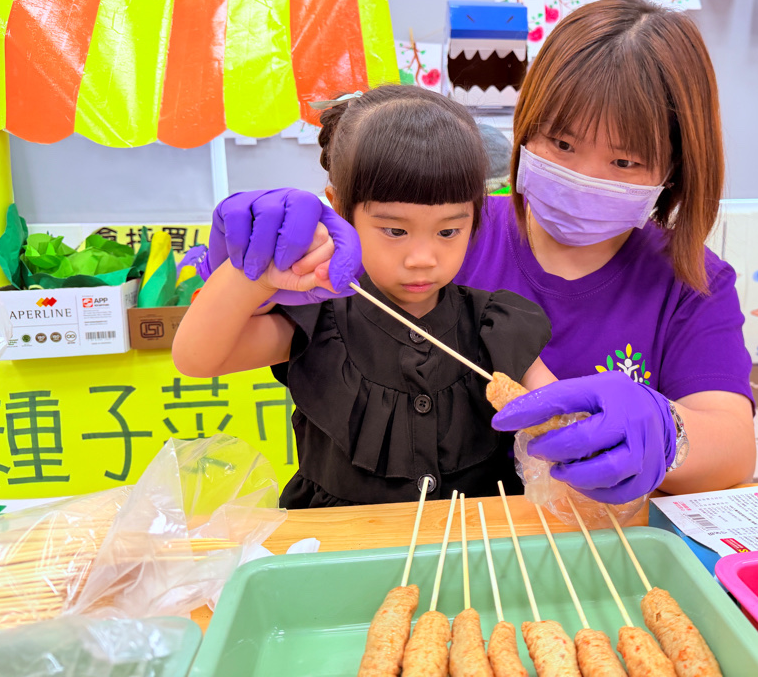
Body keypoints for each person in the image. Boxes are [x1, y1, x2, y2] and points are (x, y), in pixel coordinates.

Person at [192, 0, 754, 504]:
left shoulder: (689, 284)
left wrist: (665, 435)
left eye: (625, 161)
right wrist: (252, 270)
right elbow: (208, 351)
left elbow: (732, 449)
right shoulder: (430, 234)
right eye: (561, 142)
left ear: (676, 167)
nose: (422, 257)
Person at [172, 85, 555, 507]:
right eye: (395, 230)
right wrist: (257, 277)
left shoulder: (495, 323)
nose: (422, 259)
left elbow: (557, 415)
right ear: (339, 209)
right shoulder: (321, 321)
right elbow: (196, 359)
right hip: (337, 540)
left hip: (476, 537)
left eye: (448, 231)